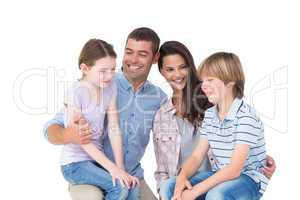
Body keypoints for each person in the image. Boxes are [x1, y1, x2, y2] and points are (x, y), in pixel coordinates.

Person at [43, 27, 167, 200]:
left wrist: (165, 184)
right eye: (129, 52)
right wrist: (68, 134)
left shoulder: (158, 98)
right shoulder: (98, 80)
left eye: (142, 54)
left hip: (130, 172)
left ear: (155, 58)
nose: (133, 59)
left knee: (127, 187)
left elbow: (166, 144)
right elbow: (51, 127)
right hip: (89, 169)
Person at [164, 52, 270, 200]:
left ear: (231, 81)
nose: (204, 86)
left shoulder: (246, 117)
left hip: (248, 179)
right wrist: (182, 176)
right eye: (203, 81)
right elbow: (196, 156)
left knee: (216, 195)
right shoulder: (210, 115)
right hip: (218, 174)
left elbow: (234, 169)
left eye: (210, 80)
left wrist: (194, 192)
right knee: (169, 186)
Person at [60, 39, 139, 200]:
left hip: (96, 162)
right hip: (75, 164)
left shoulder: (110, 87)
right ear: (84, 68)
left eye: (112, 69)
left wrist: (120, 167)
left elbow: (114, 128)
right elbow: (83, 139)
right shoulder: (75, 92)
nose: (110, 76)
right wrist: (112, 169)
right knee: (119, 186)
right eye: (103, 71)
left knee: (132, 186)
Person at [152, 41, 212, 199]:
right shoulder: (162, 115)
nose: (177, 75)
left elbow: (238, 136)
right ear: (161, 72)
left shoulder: (211, 100)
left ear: (190, 67)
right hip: (180, 188)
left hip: (213, 184)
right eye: (170, 69)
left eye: (182, 67)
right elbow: (162, 170)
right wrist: (163, 192)